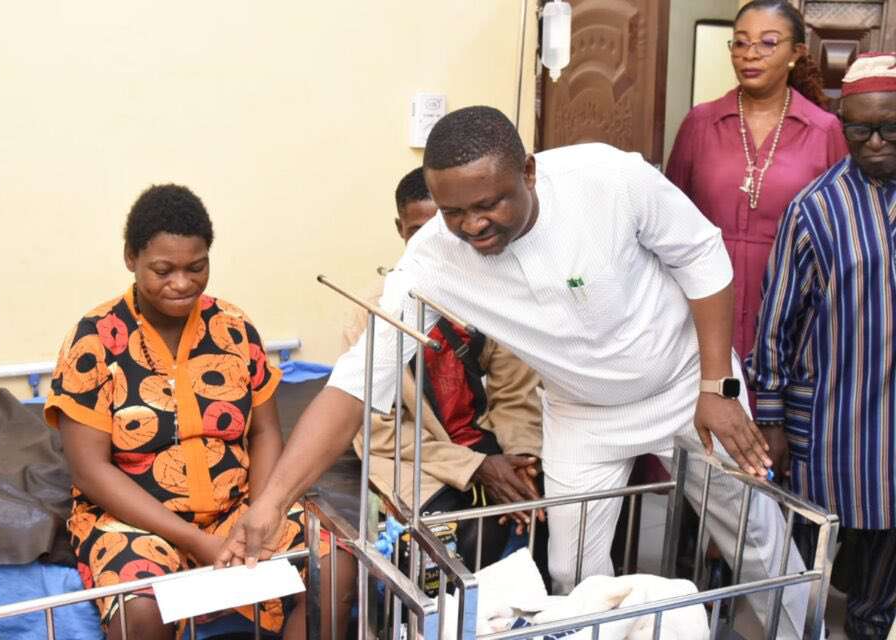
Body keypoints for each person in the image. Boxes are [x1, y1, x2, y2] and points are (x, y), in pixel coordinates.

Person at [219, 106, 810, 637]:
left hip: (687, 384)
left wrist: (717, 385)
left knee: (755, 538)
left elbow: (701, 255)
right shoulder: (432, 260)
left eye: (489, 204)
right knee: (573, 572)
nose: (473, 226)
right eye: (454, 212)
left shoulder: (608, 179)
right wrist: (271, 502)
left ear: (528, 171)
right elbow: (355, 384)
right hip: (583, 414)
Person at [44, 184, 353, 640]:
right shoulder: (94, 340)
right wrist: (196, 541)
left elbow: (264, 433)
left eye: (196, 267)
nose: (182, 283)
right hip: (135, 521)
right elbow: (90, 471)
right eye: (163, 270)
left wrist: (259, 514)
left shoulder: (234, 328)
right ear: (130, 258)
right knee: (141, 611)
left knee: (337, 565)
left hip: (238, 508)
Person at [746, 52, 896, 640]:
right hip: (833, 421)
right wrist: (772, 419)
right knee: (811, 550)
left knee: (886, 556)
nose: (875, 142)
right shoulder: (815, 208)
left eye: (890, 128)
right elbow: (776, 323)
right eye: (860, 130)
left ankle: (869, 624)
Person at [345, 167, 547, 574]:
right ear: (400, 230)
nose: (433, 244)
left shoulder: (491, 296)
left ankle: (545, 604)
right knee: (461, 534)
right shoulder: (374, 309)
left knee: (546, 507)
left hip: (480, 441)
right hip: (414, 454)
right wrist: (476, 468)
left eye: (442, 229)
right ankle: (441, 610)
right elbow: (379, 431)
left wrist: (522, 462)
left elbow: (515, 396)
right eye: (418, 232)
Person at [667, 0, 847, 389]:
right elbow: (668, 221)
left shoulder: (824, 131)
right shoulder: (700, 123)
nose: (750, 54)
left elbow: (841, 232)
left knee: (772, 421)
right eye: (740, 42)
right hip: (704, 307)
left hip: (791, 313)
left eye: (767, 43)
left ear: (796, 53)